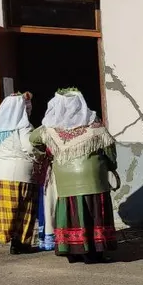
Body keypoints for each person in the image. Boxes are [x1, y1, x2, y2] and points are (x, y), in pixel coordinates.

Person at [30, 90, 118, 264]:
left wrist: (48, 151)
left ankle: (72, 250)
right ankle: (94, 252)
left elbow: (33, 139)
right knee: (95, 213)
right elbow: (109, 148)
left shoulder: (50, 128)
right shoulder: (94, 124)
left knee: (70, 214)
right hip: (93, 176)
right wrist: (111, 165)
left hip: (65, 178)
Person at [0, 93, 39, 254]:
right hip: (21, 171)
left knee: (5, 209)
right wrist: (38, 157)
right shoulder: (23, 126)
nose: (29, 109)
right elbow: (29, 147)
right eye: (27, 106)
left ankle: (8, 238)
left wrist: (1, 153)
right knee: (25, 209)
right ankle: (21, 243)